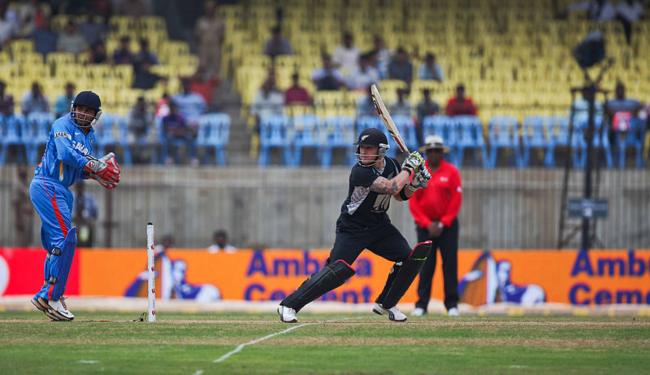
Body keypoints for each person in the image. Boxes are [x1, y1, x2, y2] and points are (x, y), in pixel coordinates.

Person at [277, 128, 433, 323]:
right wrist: (410, 168)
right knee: (336, 271)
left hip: (379, 225)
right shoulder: (359, 171)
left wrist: (415, 185)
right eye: (362, 148)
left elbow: (399, 195)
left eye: (369, 149)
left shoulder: (392, 164)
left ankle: (387, 303)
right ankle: (289, 305)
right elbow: (390, 186)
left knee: (409, 258)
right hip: (352, 228)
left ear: (381, 150)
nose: (363, 152)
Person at [30, 91, 121, 321]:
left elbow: (76, 169)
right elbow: (65, 153)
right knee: (65, 240)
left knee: (56, 245)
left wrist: (96, 175)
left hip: (61, 190)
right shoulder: (62, 124)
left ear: (95, 115)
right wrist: (94, 163)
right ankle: (51, 295)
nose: (83, 113)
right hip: (47, 185)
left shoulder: (90, 138)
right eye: (80, 108)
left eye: (88, 111)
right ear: (73, 108)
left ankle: (47, 295)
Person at [408, 135, 462, 317]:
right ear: (426, 153)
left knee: (450, 265)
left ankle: (452, 305)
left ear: (442, 152)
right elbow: (413, 201)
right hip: (425, 227)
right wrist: (426, 223)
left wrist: (444, 222)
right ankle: (421, 305)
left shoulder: (452, 172)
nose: (434, 154)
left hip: (447, 226)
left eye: (437, 151)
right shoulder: (419, 173)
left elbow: (456, 199)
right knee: (425, 265)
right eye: (430, 151)